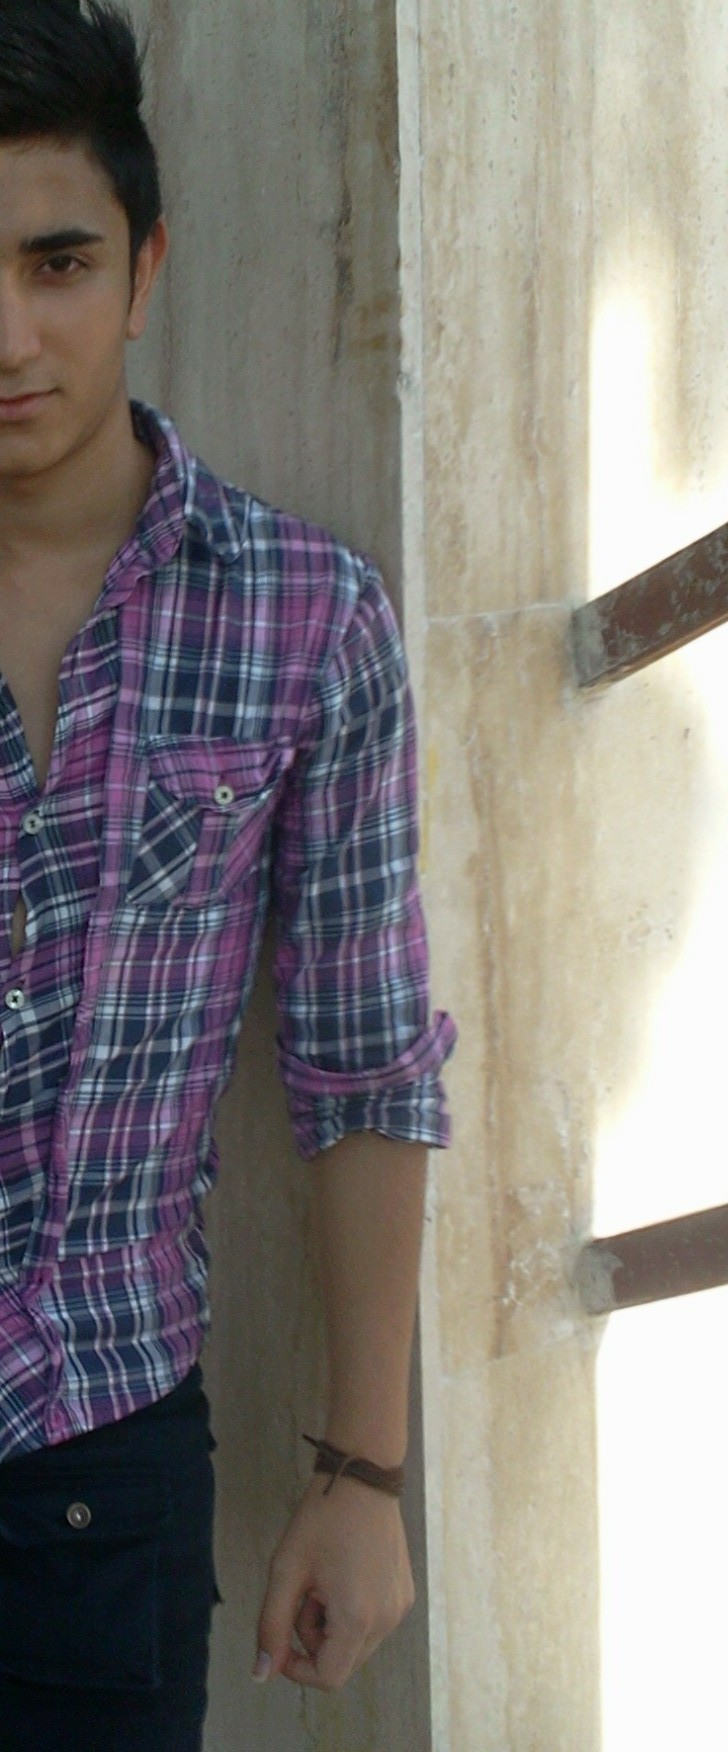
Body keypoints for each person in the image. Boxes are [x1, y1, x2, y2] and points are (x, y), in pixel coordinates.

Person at [0, 2, 455, 1747]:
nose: (10, 334)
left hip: (96, 1485)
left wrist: (365, 1475)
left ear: (145, 266)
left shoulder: (303, 621)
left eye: (56, 262)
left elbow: (364, 1062)